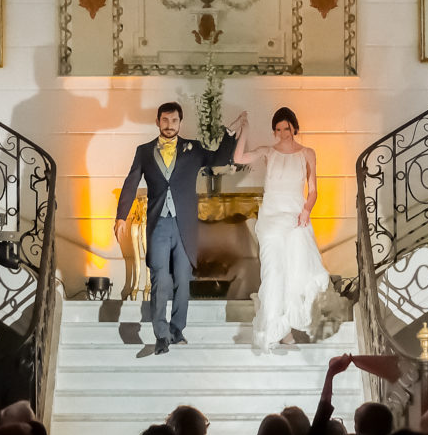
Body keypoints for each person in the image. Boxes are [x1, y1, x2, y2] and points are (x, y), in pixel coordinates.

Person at [112, 100, 245, 355]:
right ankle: (161, 335)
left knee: (183, 280)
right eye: (165, 120)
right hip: (158, 225)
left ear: (180, 123)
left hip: (184, 225)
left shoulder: (193, 149)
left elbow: (218, 159)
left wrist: (230, 133)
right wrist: (121, 217)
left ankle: (177, 330)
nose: (169, 124)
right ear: (157, 121)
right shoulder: (144, 151)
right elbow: (130, 183)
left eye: (174, 120)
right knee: (160, 278)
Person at [227, 107, 339, 353]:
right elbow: (239, 158)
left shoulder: (307, 153)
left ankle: (285, 329)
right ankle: (273, 328)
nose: (282, 133)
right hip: (270, 219)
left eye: (285, 128)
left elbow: (313, 190)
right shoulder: (268, 152)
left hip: (295, 217)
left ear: (294, 128)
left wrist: (307, 210)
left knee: (295, 271)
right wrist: (245, 129)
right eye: (277, 129)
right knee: (274, 272)